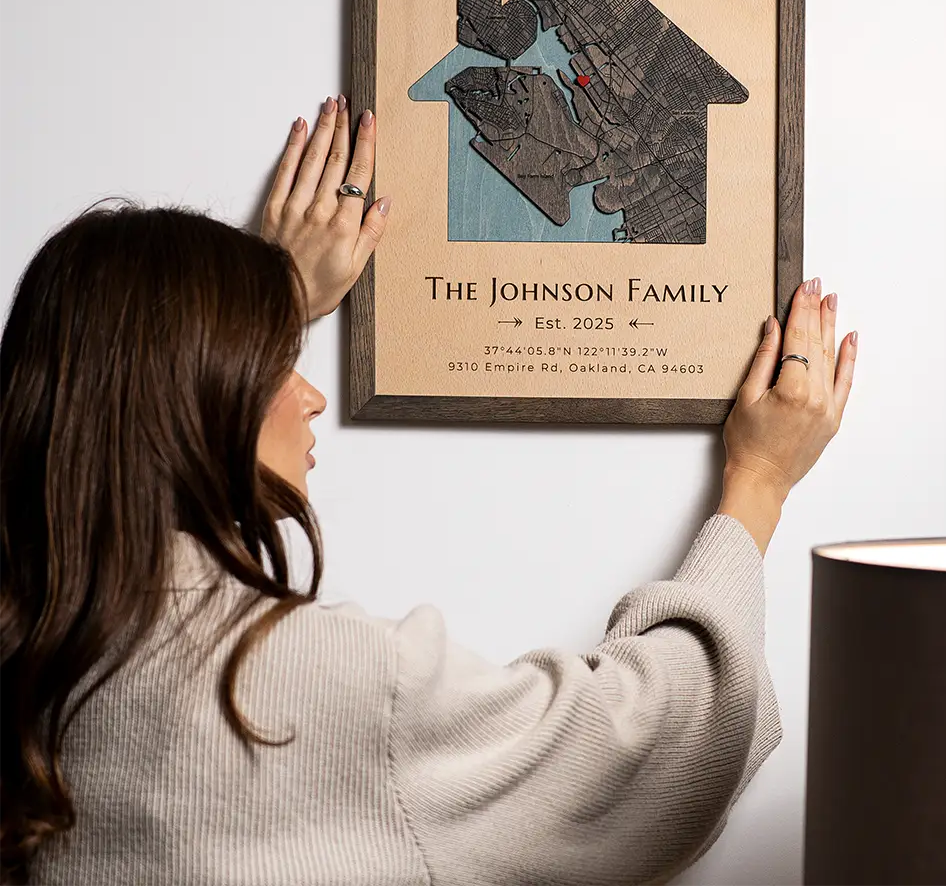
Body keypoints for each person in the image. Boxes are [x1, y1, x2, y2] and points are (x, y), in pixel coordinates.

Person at [0, 95, 857, 886]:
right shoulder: (314, 688)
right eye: (272, 367)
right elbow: (652, 746)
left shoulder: (30, 650)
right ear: (192, 395)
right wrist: (761, 480)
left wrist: (268, 299)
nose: (313, 398)